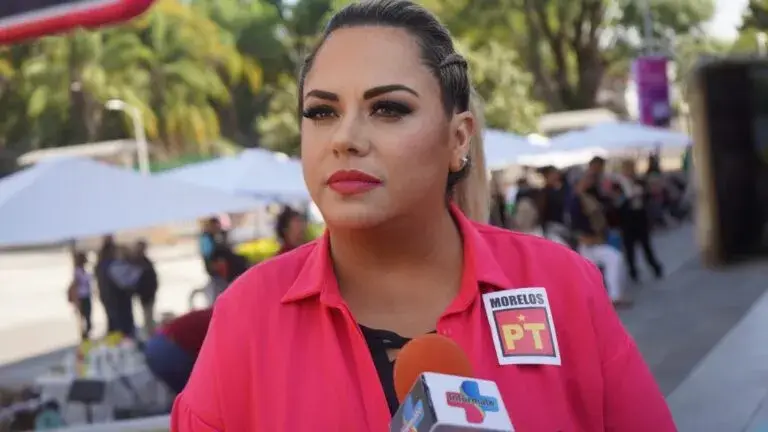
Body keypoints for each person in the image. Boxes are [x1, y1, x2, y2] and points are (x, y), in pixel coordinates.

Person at [172, 1, 674, 431]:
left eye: (388, 108)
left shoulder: (562, 286)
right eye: (321, 112)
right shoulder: (248, 317)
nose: (345, 137)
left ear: (458, 138)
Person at [569, 172, 629, 306]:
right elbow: (574, 223)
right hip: (585, 242)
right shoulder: (575, 200)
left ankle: (613, 296)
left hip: (594, 240)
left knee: (613, 259)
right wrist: (582, 237)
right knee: (610, 260)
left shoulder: (588, 195)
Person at [145, 308, 213, 394]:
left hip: (156, 344)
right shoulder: (222, 319)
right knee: (195, 395)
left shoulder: (217, 313)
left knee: (187, 396)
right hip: (169, 349)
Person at [617, 160, 663, 282]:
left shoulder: (639, 181)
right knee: (629, 248)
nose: (629, 172)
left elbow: (648, 196)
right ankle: (633, 272)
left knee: (646, 245)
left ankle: (655, 267)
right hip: (627, 219)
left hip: (640, 217)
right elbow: (616, 203)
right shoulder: (619, 184)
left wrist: (643, 192)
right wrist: (627, 198)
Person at [134, 240, 159, 336]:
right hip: (145, 292)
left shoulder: (143, 260)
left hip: (149, 291)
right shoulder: (140, 262)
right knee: (148, 314)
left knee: (149, 314)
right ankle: (150, 333)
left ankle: (150, 332)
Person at [67, 252, 92, 340]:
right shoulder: (77, 272)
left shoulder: (83, 270)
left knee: (88, 318)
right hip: (81, 297)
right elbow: (76, 285)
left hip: (86, 295)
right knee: (83, 318)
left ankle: (86, 335)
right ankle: (85, 336)